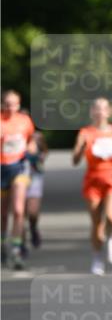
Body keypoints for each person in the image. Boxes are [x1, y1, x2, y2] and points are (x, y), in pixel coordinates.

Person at [72, 97, 112, 275]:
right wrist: (80, 150)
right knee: (97, 223)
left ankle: (111, 238)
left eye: (103, 108)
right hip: (93, 180)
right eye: (96, 108)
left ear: (108, 112)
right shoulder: (85, 133)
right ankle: (97, 255)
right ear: (92, 112)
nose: (100, 112)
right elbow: (75, 160)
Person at [1, 89, 36, 270]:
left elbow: (30, 140)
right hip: (1, 169)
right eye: (7, 104)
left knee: (18, 210)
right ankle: (2, 245)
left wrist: (31, 149)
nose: (11, 108)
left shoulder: (25, 121)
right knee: (3, 214)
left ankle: (15, 250)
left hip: (19, 168)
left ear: (19, 105)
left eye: (14, 104)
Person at [23, 128, 49, 253]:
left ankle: (33, 228)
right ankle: (21, 244)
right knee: (20, 212)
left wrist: (37, 157)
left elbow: (44, 151)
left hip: (34, 177)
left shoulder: (36, 137)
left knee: (32, 212)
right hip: (16, 176)